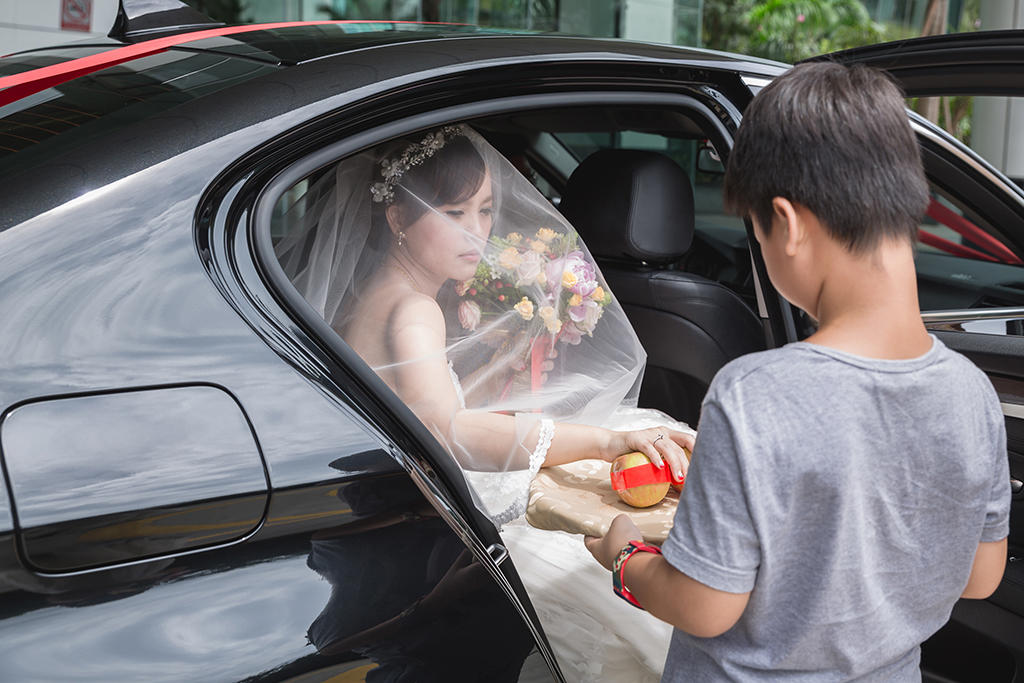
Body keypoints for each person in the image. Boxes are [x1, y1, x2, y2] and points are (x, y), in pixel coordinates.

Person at [585, 61, 1011, 681]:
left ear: (785, 223)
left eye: (754, 233)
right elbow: (981, 576)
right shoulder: (974, 394)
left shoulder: (754, 394)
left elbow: (704, 606)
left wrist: (625, 554)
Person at [276, 123, 695, 681]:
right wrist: (604, 440)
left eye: (486, 210)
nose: (478, 234)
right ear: (397, 218)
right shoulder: (415, 310)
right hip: (458, 517)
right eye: (453, 213)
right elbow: (450, 432)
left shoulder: (373, 292)